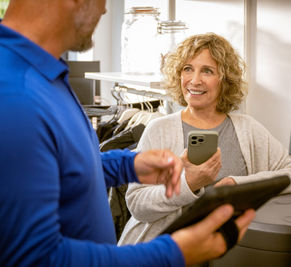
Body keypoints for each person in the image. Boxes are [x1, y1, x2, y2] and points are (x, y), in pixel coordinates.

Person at [0, 1, 255, 266]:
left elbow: (59, 167)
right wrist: (174, 254)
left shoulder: (42, 75)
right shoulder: (15, 93)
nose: (104, 11)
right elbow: (34, 259)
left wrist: (127, 165)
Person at [118, 33, 291, 245]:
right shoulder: (159, 129)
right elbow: (137, 204)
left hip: (230, 252)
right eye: (188, 69)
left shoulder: (247, 128)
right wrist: (188, 184)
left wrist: (237, 185)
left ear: (225, 79)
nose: (195, 81)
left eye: (207, 71)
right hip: (164, 251)